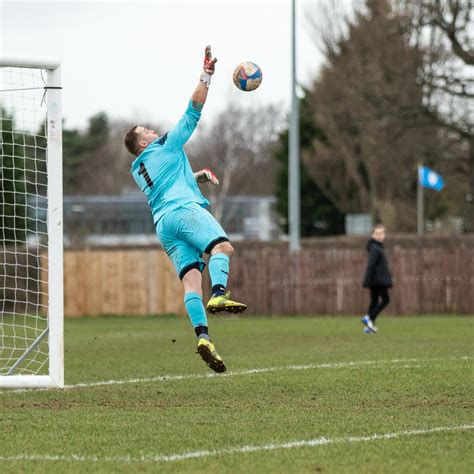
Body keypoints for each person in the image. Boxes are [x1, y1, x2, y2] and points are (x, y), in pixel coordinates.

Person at [124, 46, 246, 373]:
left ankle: (203, 337)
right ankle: (219, 293)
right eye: (147, 132)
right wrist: (206, 74)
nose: (153, 131)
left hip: (164, 224)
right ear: (144, 143)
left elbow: (167, 187)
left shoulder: (139, 169)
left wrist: (196, 177)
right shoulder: (164, 146)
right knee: (223, 247)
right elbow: (193, 110)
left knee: (192, 283)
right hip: (183, 211)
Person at [361, 224, 392, 334]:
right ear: (372, 235)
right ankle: (369, 318)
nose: (379, 236)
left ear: (384, 235)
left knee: (374, 301)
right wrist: (367, 280)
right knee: (386, 300)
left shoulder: (377, 247)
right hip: (378, 281)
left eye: (381, 233)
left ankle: (369, 327)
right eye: (377, 233)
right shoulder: (375, 248)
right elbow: (371, 265)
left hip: (376, 280)